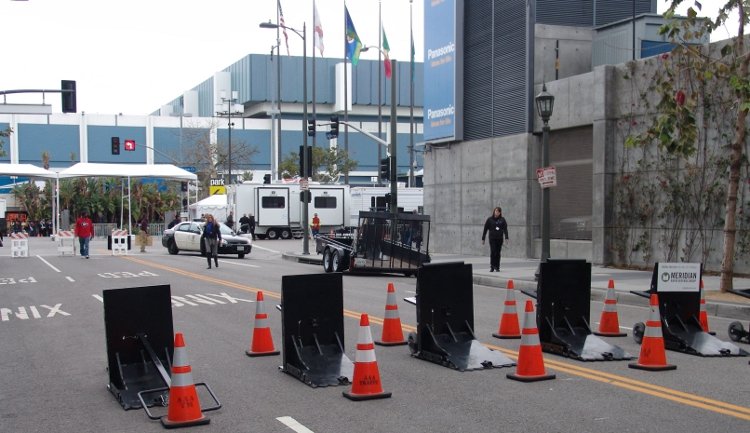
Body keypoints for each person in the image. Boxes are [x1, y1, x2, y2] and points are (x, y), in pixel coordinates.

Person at [481, 206, 509, 272]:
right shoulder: (490, 219)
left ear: (500, 213)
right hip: (492, 238)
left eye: (497, 211)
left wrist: (506, 237)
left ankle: (497, 266)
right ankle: (492, 266)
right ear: (494, 211)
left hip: (499, 239)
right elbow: (485, 229)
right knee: (493, 251)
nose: (496, 212)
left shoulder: (502, 220)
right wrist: (483, 238)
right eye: (495, 211)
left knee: (498, 253)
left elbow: (505, 229)